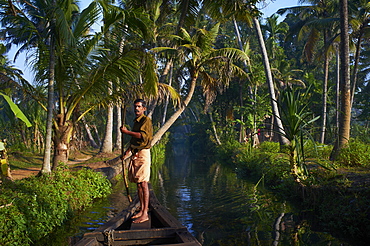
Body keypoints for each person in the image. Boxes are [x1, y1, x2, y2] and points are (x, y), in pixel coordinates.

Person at [120, 99, 153, 223]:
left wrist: (127, 132)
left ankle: (145, 213)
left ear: (144, 108)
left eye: (139, 107)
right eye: (135, 107)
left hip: (143, 154)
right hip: (135, 154)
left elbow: (143, 136)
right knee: (138, 184)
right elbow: (134, 140)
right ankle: (141, 210)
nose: (136, 109)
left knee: (143, 183)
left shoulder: (146, 120)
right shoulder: (136, 122)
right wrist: (127, 152)